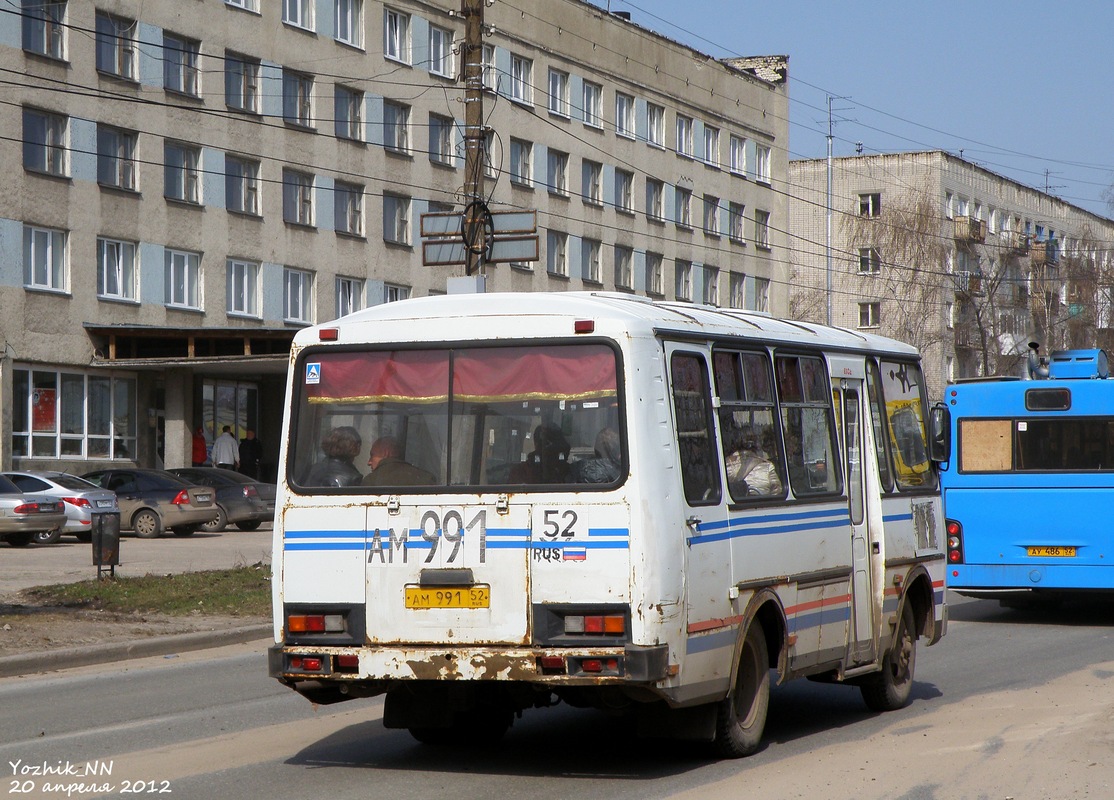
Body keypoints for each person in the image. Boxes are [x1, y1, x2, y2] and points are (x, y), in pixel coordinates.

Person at [726, 429, 783, 497]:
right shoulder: (767, 465)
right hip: (763, 505)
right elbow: (777, 491)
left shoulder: (727, 463)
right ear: (756, 444)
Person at [363, 436, 436, 487]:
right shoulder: (426, 478)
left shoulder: (370, 481)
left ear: (386, 452)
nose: (369, 462)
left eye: (372, 455)